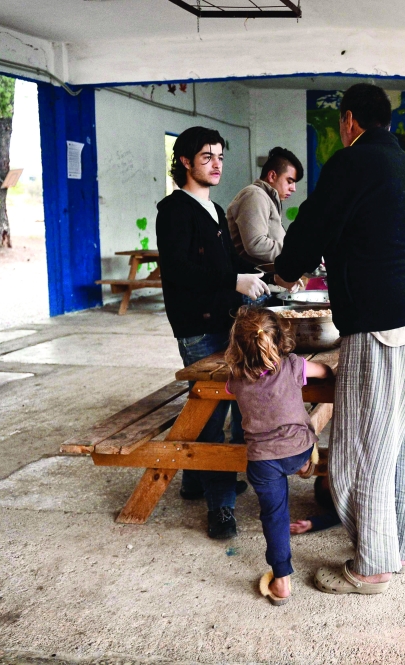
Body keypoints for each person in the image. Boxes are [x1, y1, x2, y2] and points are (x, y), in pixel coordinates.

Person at [275, 83, 405, 596]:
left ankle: (372, 566)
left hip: (383, 326)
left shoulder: (350, 164)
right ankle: (401, 547)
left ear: (348, 121)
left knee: (366, 444)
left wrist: (286, 273)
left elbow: (309, 229)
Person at [155, 126, 270, 540]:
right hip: (197, 324)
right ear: (185, 161)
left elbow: (228, 261)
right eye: (207, 157)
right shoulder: (173, 210)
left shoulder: (215, 209)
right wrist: (233, 282)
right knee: (211, 414)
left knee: (215, 407)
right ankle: (220, 506)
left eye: (220, 156)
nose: (217, 164)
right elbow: (182, 272)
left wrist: (262, 274)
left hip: (224, 321)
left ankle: (194, 480)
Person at [224, 306, 332, 605]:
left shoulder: (235, 378)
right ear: (280, 337)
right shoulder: (294, 365)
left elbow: (233, 387)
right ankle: (305, 467)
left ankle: (282, 582)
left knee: (274, 516)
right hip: (298, 451)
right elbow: (324, 371)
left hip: (263, 461)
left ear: (237, 346)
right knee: (310, 429)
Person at [226, 147, 304, 266]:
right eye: (289, 181)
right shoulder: (255, 194)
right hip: (253, 279)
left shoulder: (268, 198)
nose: (293, 188)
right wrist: (298, 253)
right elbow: (256, 244)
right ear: (272, 176)